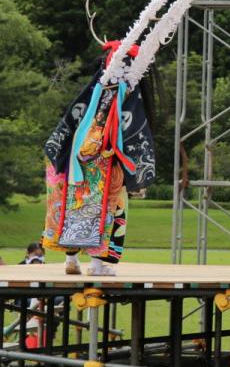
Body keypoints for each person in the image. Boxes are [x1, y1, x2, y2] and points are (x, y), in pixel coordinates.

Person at [41, 42, 156, 277]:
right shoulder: (125, 94)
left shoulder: (92, 90)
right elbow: (133, 131)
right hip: (104, 162)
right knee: (107, 210)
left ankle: (71, 259)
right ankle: (96, 264)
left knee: (70, 206)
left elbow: (69, 124)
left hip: (73, 160)